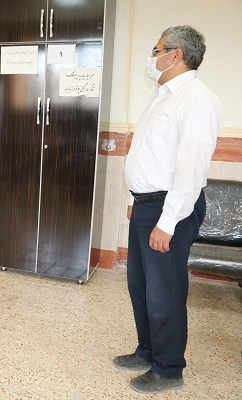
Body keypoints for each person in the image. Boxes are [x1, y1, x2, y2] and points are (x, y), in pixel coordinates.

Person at [114, 25, 222, 394]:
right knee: (140, 286)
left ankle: (168, 368)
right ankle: (147, 351)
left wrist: (169, 221)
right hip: (146, 205)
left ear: (176, 54)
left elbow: (190, 168)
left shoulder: (197, 99)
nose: (152, 56)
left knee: (165, 292)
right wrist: (134, 201)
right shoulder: (162, 95)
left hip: (169, 207)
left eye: (157, 50)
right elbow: (147, 154)